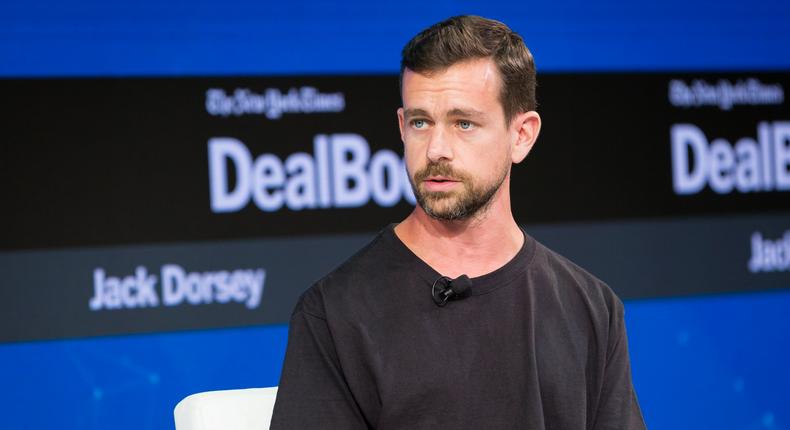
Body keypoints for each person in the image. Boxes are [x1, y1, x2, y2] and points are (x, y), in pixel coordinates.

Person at [270, 15, 646, 429]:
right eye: (420, 122)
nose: (436, 149)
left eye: (463, 123)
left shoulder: (592, 308)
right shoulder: (334, 313)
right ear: (401, 127)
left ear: (522, 134)